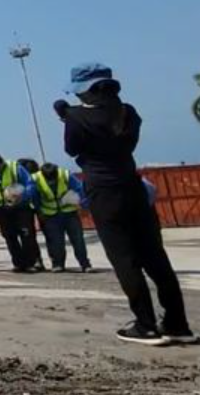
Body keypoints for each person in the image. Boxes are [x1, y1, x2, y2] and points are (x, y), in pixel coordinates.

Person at [57, 63, 194, 345]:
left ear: (87, 91)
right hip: (133, 187)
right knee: (156, 258)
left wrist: (67, 115)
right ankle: (177, 324)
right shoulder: (128, 113)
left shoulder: (77, 117)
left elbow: (73, 148)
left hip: (104, 193)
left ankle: (145, 325)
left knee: (125, 259)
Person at [0, 153, 42, 273]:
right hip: (1, 209)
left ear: (2, 162)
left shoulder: (15, 167)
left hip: (21, 207)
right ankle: (18, 264)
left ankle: (31, 263)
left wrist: (22, 196)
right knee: (10, 237)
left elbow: (30, 184)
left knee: (27, 235)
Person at [32, 162, 93, 273]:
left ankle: (85, 264)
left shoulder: (65, 175)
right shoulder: (36, 178)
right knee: (56, 242)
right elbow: (34, 196)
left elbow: (80, 189)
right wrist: (38, 211)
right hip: (50, 215)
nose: (52, 181)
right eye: (49, 179)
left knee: (78, 240)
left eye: (53, 178)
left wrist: (84, 205)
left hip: (69, 213)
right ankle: (58, 264)